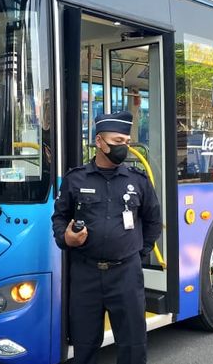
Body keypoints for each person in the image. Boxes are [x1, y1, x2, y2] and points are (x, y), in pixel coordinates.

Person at [52, 111, 161, 364]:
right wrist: (66, 239)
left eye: (126, 142)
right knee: (84, 346)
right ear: (99, 142)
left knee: (133, 345)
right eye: (118, 142)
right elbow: (59, 218)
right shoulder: (75, 179)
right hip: (85, 275)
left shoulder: (138, 180)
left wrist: (137, 252)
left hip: (125, 274)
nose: (124, 147)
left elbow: (154, 221)